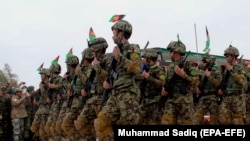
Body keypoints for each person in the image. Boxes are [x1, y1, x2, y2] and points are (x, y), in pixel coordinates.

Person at [94, 20, 143, 141]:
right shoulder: (116, 51)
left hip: (128, 93)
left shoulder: (133, 48)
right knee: (101, 123)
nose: (112, 35)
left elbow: (137, 69)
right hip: (115, 93)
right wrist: (108, 82)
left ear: (121, 33)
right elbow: (114, 74)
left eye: (114, 32)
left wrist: (119, 57)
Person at [74, 37, 109, 140]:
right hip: (92, 98)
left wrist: (97, 67)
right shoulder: (94, 65)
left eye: (95, 51)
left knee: (102, 127)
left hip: (103, 98)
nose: (93, 53)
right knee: (80, 123)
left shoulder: (108, 60)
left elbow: (109, 78)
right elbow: (89, 82)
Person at [161, 40, 198, 125]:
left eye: (171, 51)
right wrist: (163, 88)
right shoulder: (170, 66)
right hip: (171, 100)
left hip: (185, 102)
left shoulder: (188, 64)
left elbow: (196, 81)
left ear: (176, 52)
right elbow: (166, 81)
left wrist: (183, 75)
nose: (169, 53)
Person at [217, 45, 247, 125]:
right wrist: (221, 89)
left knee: (237, 121)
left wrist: (232, 70)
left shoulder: (240, 68)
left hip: (237, 99)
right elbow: (223, 82)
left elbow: (242, 82)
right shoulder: (225, 69)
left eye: (227, 56)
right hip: (226, 98)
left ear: (233, 56)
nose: (226, 58)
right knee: (222, 119)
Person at [193, 53, 222, 125]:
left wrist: (209, 76)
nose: (202, 63)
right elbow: (196, 83)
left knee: (211, 121)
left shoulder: (216, 71)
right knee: (197, 119)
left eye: (204, 62)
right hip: (203, 98)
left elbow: (218, 83)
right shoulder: (201, 72)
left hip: (213, 99)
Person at [139, 49, 165, 125]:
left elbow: (162, 83)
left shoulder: (158, 69)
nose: (144, 60)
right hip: (144, 101)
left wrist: (149, 77)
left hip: (155, 102)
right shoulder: (145, 68)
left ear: (149, 59)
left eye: (145, 58)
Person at [30, 68, 50, 141]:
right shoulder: (42, 84)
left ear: (46, 74)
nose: (41, 76)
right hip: (40, 108)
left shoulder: (48, 84)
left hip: (46, 109)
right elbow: (37, 94)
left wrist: (42, 89)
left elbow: (48, 97)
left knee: (43, 129)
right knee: (34, 128)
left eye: (42, 74)